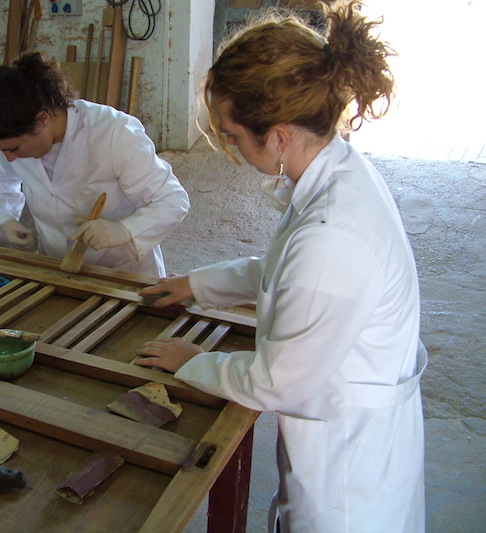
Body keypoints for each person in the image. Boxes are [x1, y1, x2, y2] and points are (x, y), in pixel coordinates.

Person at [134, 2, 426, 532]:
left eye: (233, 134)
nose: (230, 145)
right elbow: (283, 273)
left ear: (279, 136)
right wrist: (196, 284)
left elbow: (276, 383)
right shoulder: (336, 170)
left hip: (349, 474)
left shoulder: (333, 237)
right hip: (344, 417)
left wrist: (195, 361)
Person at [0, 52, 190, 278]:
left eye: (14, 148)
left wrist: (125, 230)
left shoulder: (113, 132)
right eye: (2, 150)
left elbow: (172, 200)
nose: (9, 159)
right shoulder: (9, 139)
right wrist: (4, 215)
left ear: (42, 120)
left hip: (123, 270)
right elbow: (3, 177)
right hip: (56, 266)